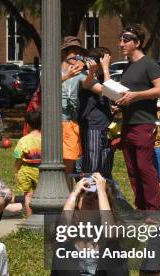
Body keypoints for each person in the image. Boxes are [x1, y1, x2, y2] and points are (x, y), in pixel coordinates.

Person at [45, 174, 139, 276]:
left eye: (97, 198)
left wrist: (102, 191)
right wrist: (74, 193)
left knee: (114, 250)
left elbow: (110, 234)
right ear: (77, 201)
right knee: (63, 247)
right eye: (87, 194)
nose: (90, 198)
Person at [114, 24, 160, 212]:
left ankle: (153, 212)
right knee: (133, 170)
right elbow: (126, 94)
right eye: (120, 40)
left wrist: (136, 95)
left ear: (137, 43)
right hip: (128, 123)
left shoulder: (149, 64)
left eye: (125, 40)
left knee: (145, 168)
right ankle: (141, 208)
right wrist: (118, 104)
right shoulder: (128, 67)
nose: (121, 44)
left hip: (144, 123)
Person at [60, 36, 97, 180]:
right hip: (52, 124)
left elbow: (89, 85)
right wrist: (66, 75)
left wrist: (92, 71)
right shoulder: (51, 69)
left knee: (68, 166)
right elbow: (46, 84)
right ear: (64, 53)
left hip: (70, 123)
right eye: (73, 51)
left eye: (79, 52)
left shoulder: (80, 73)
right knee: (51, 163)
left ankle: (68, 198)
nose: (77, 55)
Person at [78, 47, 113, 178]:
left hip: (105, 125)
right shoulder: (86, 77)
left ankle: (104, 196)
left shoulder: (101, 77)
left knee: (106, 166)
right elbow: (108, 91)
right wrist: (105, 68)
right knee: (91, 166)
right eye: (107, 60)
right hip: (92, 126)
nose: (109, 63)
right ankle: (88, 196)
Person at [13, 111, 41, 217]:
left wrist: (16, 170)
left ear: (27, 125)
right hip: (41, 171)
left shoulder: (23, 140)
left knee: (28, 195)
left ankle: (30, 218)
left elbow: (18, 157)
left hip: (26, 170)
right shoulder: (45, 139)